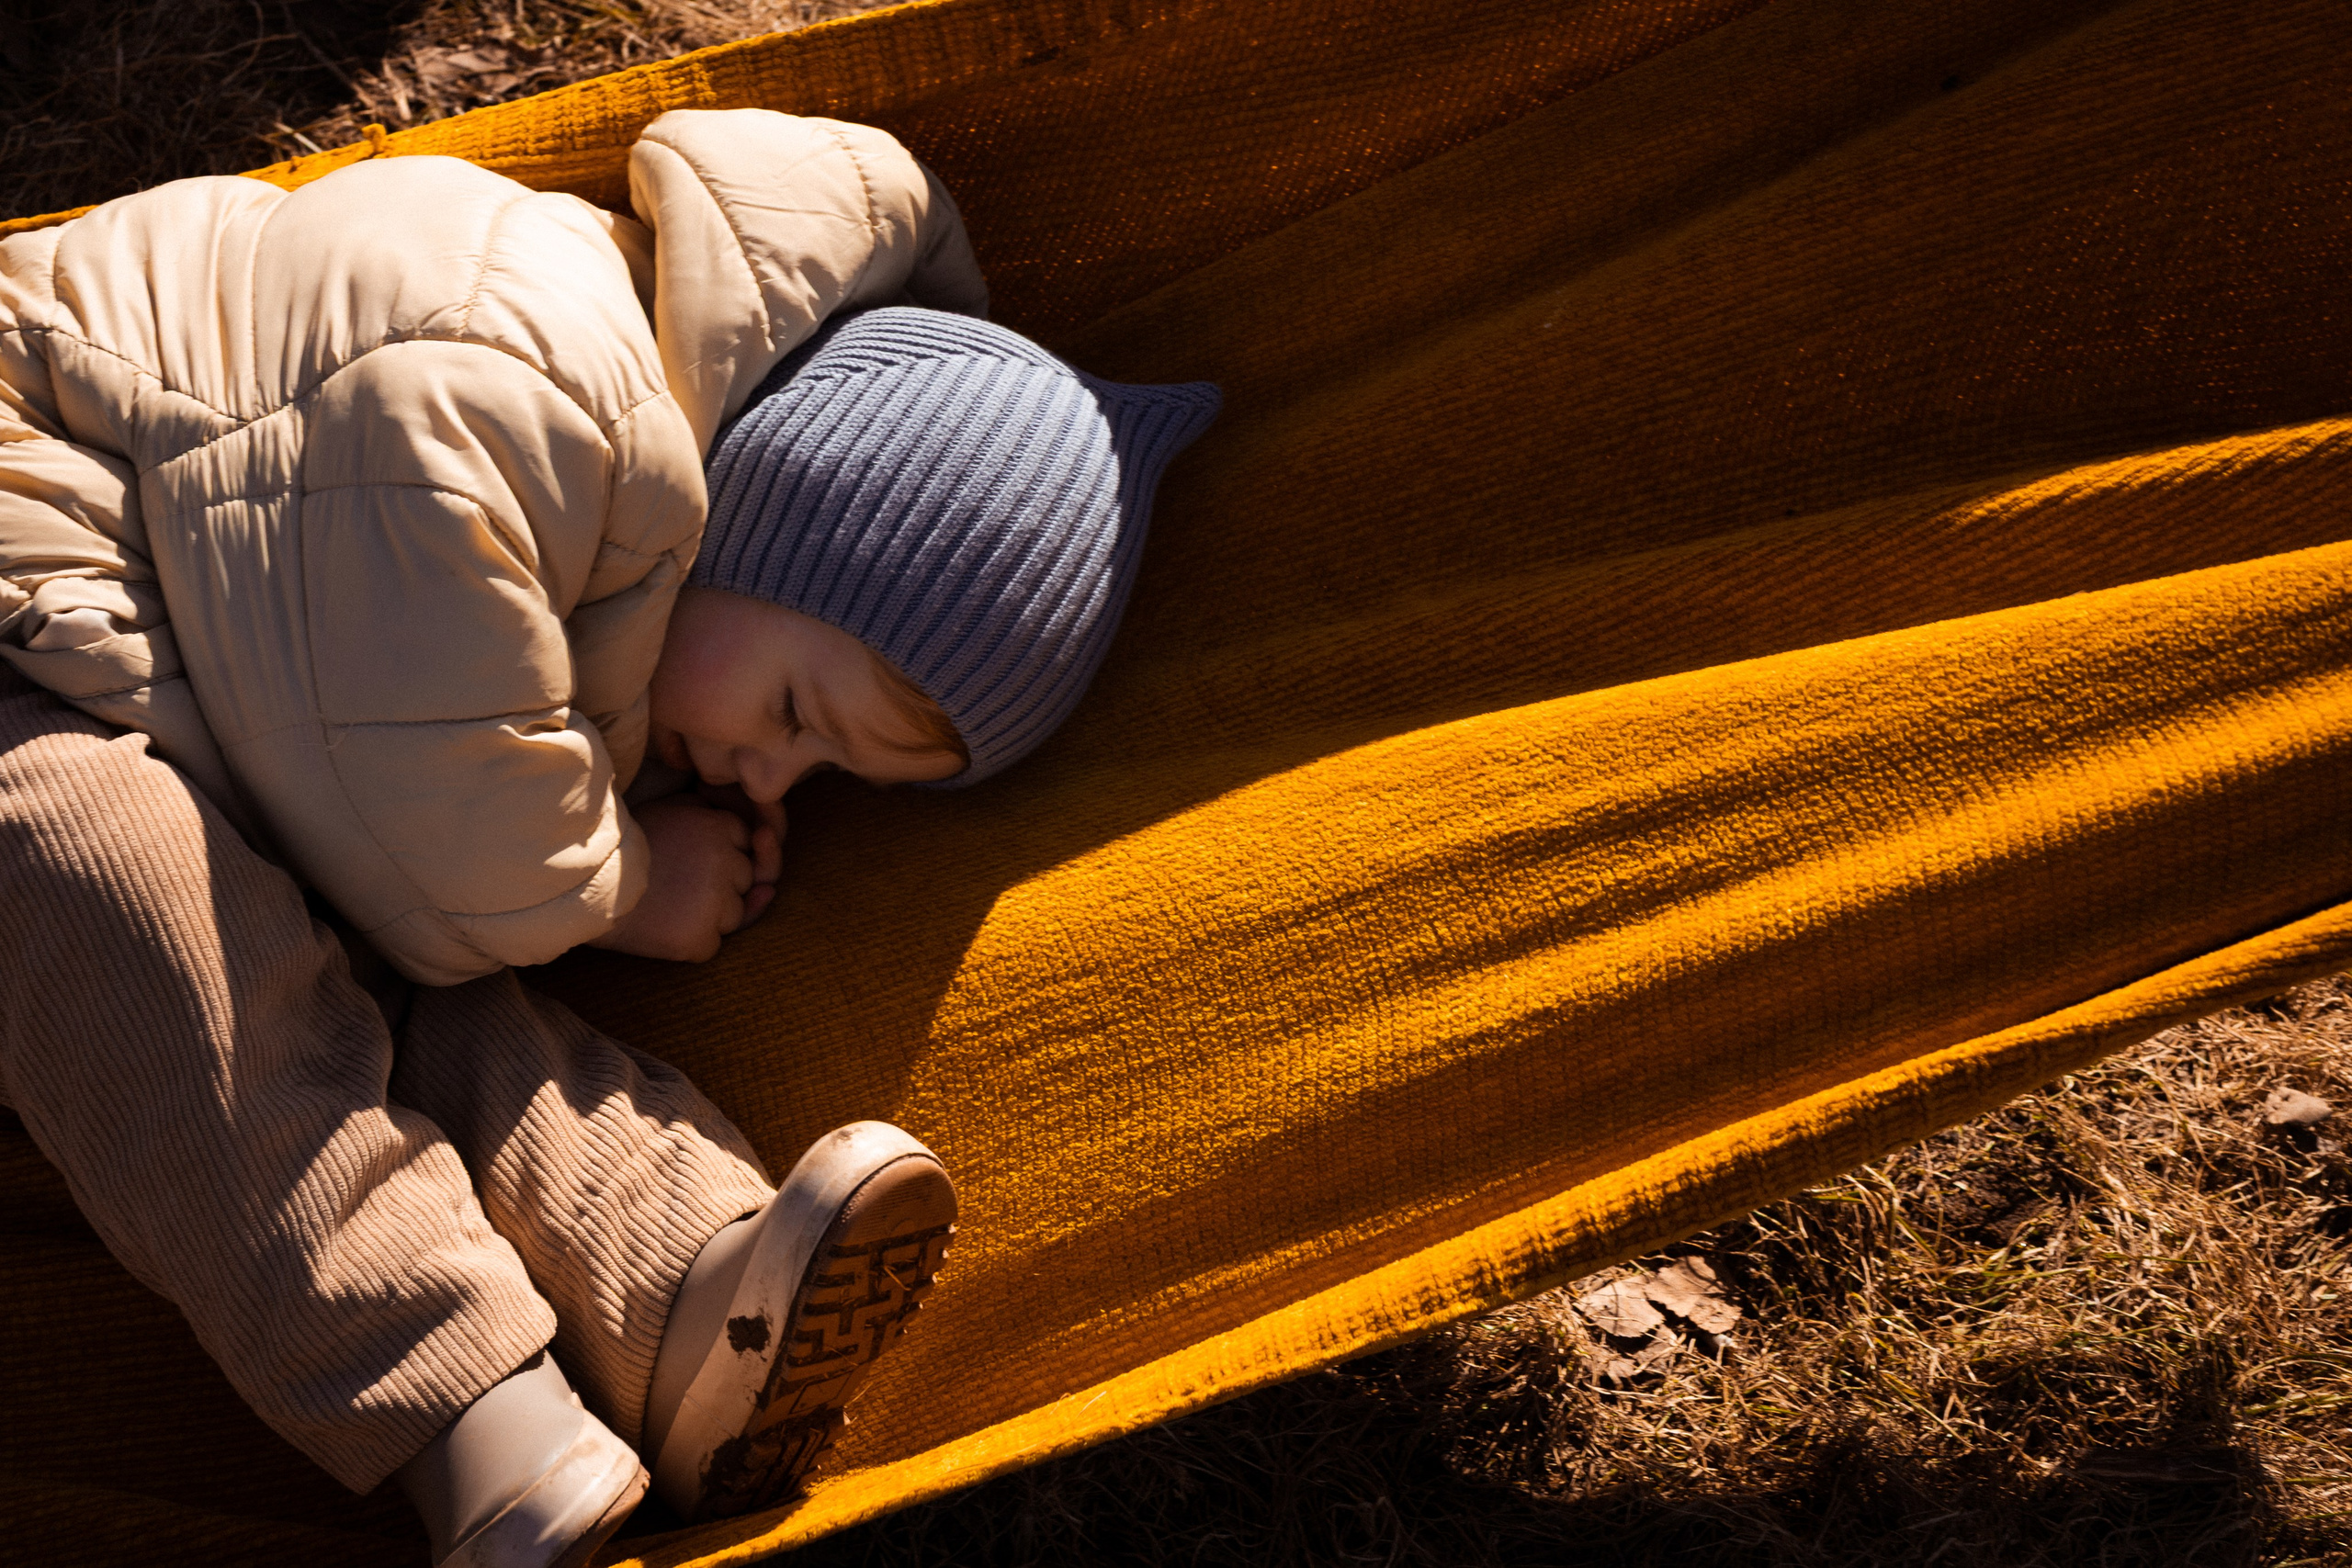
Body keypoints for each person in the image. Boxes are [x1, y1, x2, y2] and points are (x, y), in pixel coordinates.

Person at [0, 108, 1216, 1566]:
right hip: (33, 676)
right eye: (792, 709)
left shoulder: (619, 506)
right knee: (114, 873)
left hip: (183, 724)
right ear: (759, 516)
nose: (772, 777)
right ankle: (469, 1409)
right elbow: (434, 845)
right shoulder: (524, 374)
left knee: (313, 971)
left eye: (824, 770)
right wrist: (630, 881)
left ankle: (684, 1286)